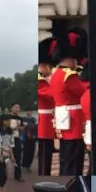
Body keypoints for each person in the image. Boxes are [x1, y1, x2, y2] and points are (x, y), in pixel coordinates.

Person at [50, 27, 89, 176]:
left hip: (65, 119)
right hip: (73, 122)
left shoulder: (57, 73)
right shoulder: (69, 75)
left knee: (66, 158)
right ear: (69, 58)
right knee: (74, 160)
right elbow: (82, 90)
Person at [37, 37, 58, 175]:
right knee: (45, 156)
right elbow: (54, 95)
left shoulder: (44, 80)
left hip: (48, 122)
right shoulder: (40, 81)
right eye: (49, 67)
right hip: (44, 123)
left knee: (47, 152)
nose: (50, 70)